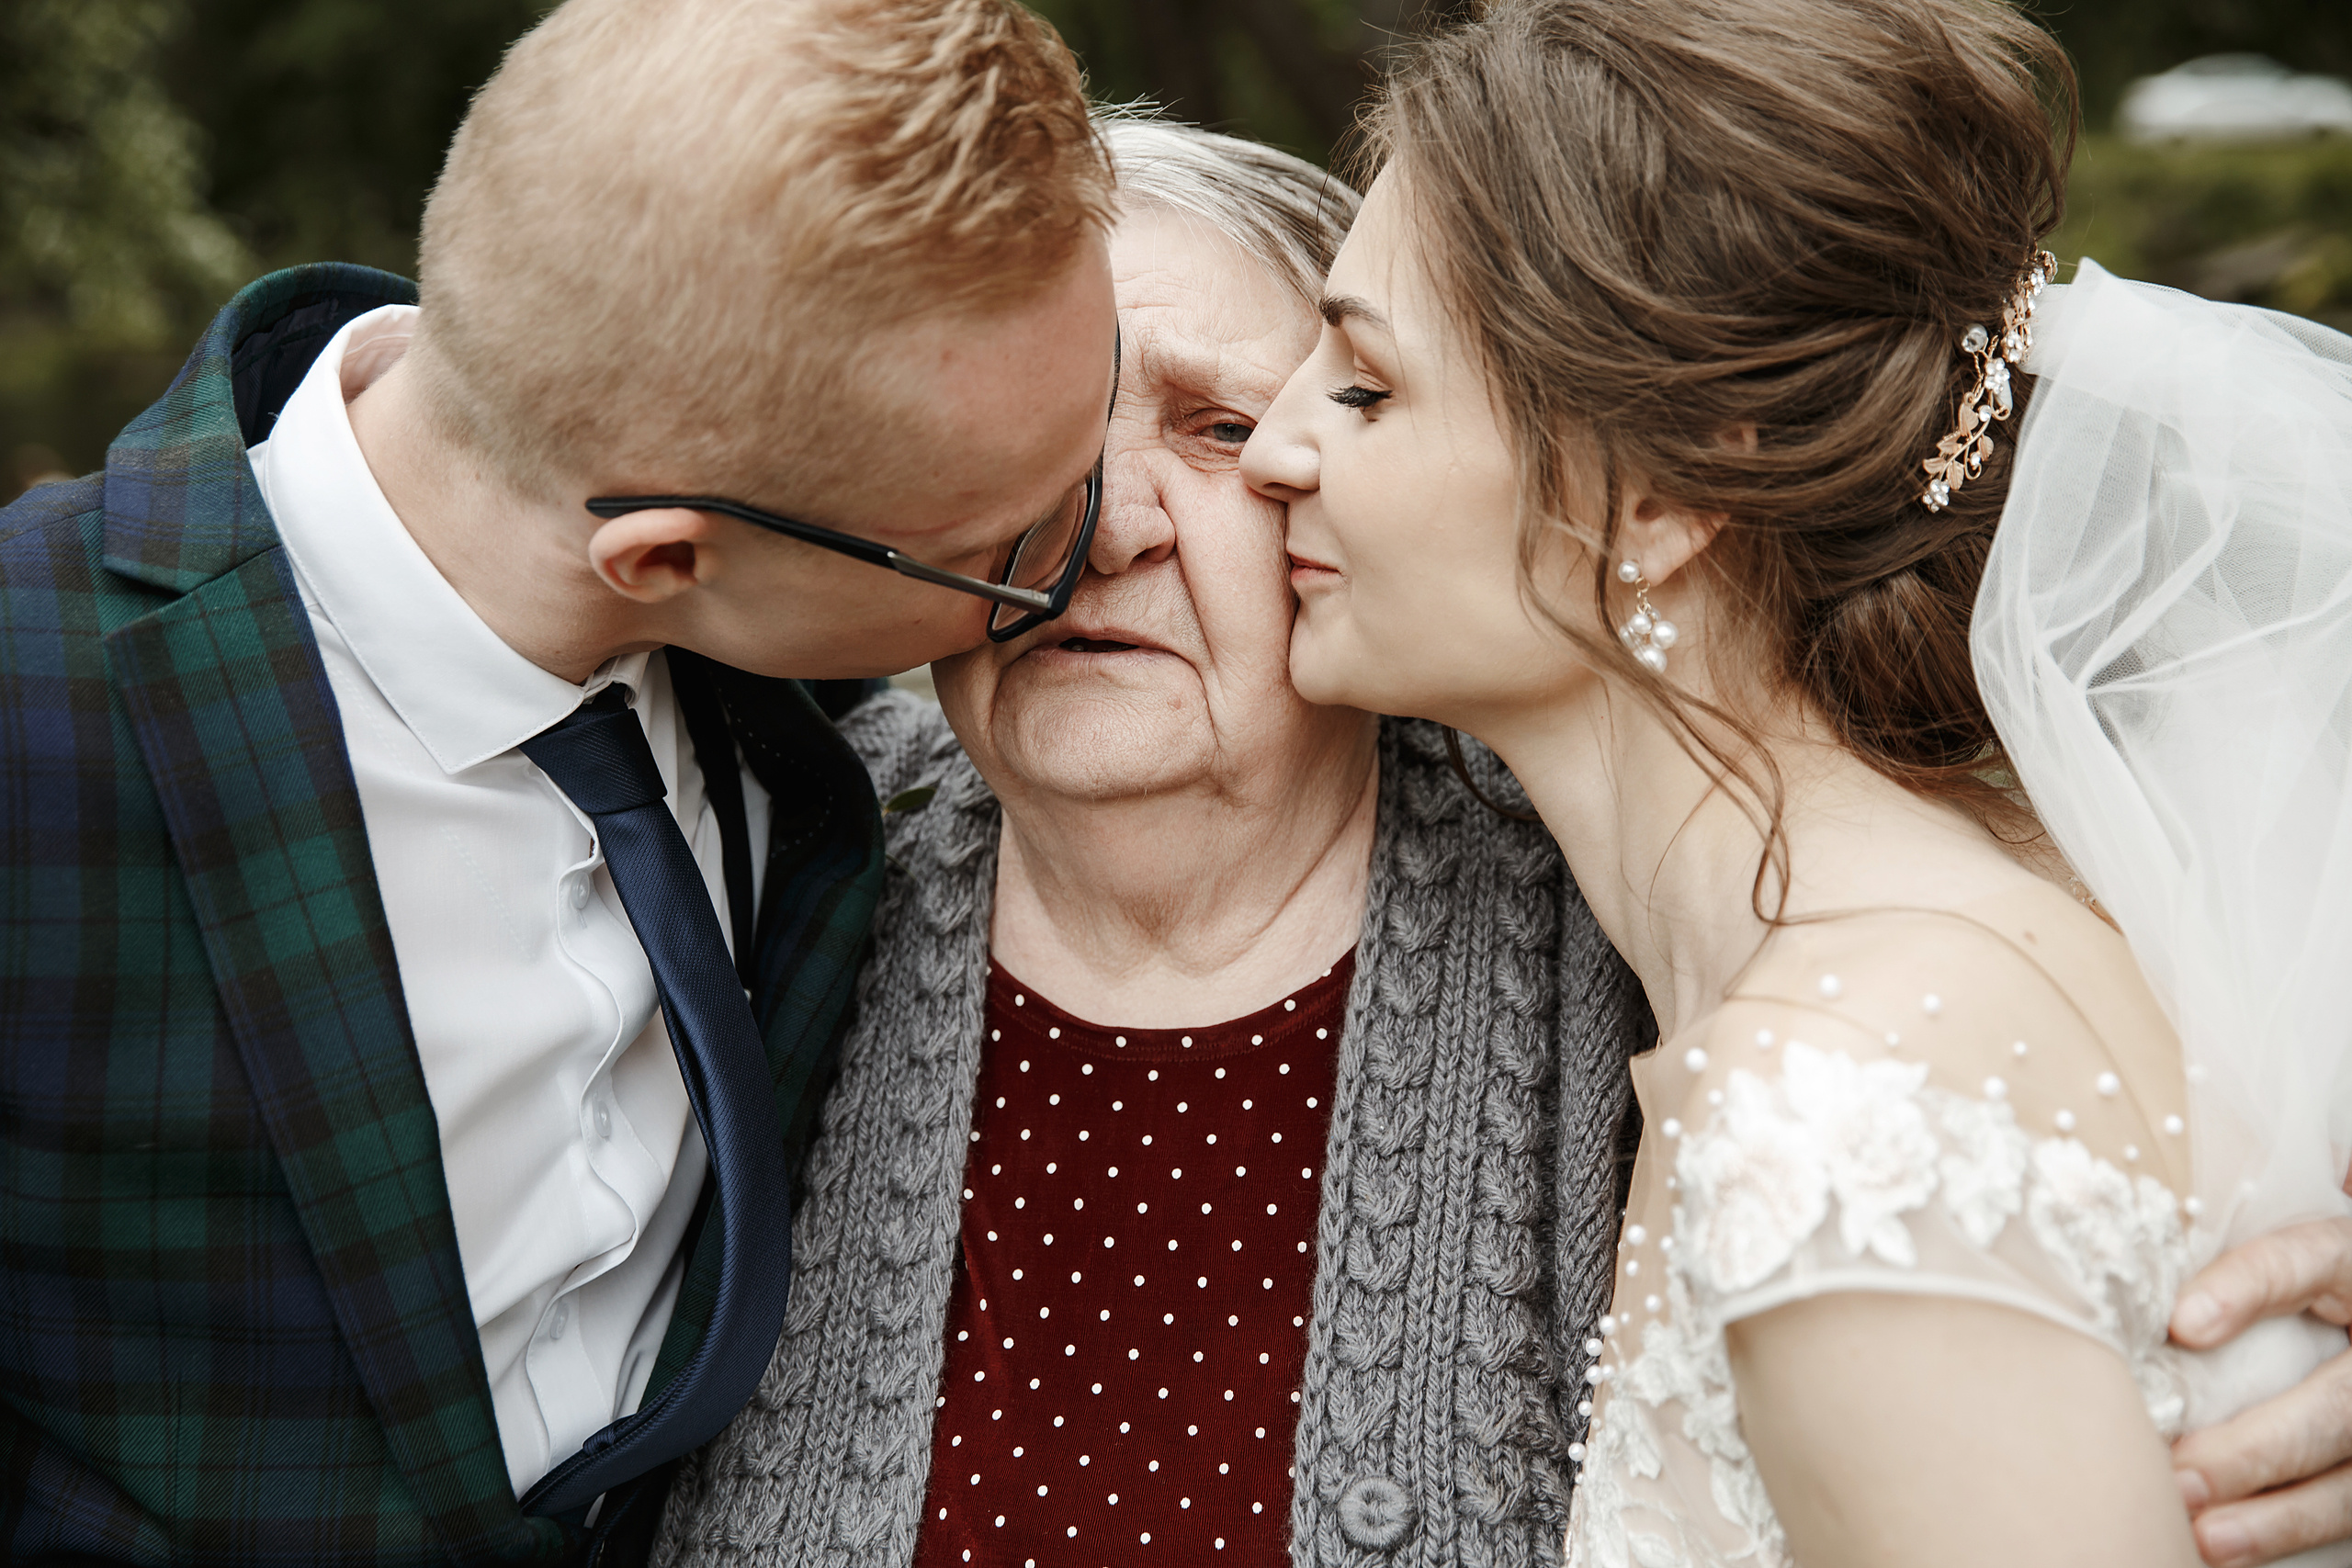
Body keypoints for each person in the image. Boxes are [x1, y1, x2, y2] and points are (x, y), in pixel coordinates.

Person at [1238, 2, 2352, 1566]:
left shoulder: (1835, 1114)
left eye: (1364, 386)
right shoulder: (2001, 902)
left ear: (1663, 493)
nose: (1268, 450)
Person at [0, 0, 1114, 1562]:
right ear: (663, 558)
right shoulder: (32, 711)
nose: (1097, 550)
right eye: (1016, 548)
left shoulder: (796, 654)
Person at [649, 116, 1650, 1568]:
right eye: (1019, 437)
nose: (1099, 530)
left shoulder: (1608, 916)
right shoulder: (757, 862)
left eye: (1217, 428)